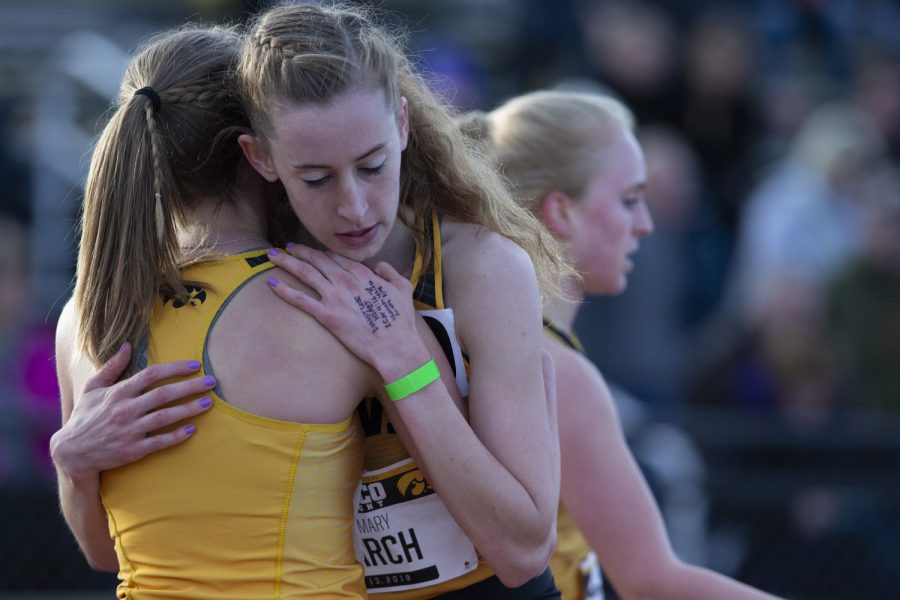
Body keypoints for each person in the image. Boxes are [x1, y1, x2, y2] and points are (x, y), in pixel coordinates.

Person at [50, 23, 471, 598]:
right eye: (317, 173)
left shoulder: (84, 314)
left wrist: (71, 467)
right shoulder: (337, 303)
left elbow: (103, 554)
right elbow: (482, 515)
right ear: (261, 154)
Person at [236, 3, 565, 597]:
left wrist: (402, 359)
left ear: (404, 125)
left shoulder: (483, 270)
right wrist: (75, 468)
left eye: (373, 165)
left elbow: (522, 550)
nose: (355, 207)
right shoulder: (247, 284)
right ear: (259, 158)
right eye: (315, 178)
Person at [461, 89, 784, 600]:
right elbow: (652, 580)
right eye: (630, 199)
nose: (645, 224)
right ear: (561, 213)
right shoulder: (554, 367)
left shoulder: (498, 341)